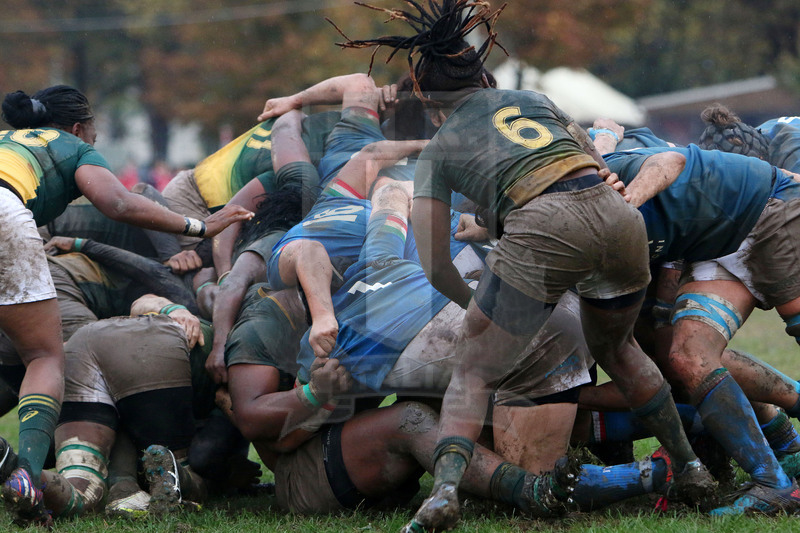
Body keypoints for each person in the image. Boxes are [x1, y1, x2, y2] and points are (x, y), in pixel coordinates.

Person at [331, 2, 716, 530]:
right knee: (620, 351)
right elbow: (594, 169)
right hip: (619, 221)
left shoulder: (441, 148)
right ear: (483, 76)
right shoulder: (533, 99)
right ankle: (691, 469)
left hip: (548, 229)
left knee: (473, 368)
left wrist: (481, 312)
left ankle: (443, 495)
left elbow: (437, 266)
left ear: (426, 94)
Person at [0, 85, 252, 524]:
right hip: (9, 219)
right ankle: (24, 474)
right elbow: (119, 201)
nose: (94, 142)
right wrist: (201, 226)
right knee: (45, 357)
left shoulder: (7, 145)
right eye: (95, 134)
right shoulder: (73, 147)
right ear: (79, 128)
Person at [598, 123, 800, 514]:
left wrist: (627, 197)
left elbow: (667, 161)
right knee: (687, 356)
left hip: (770, 215)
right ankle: (774, 482)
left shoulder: (612, 171)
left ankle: (781, 440)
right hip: (715, 245)